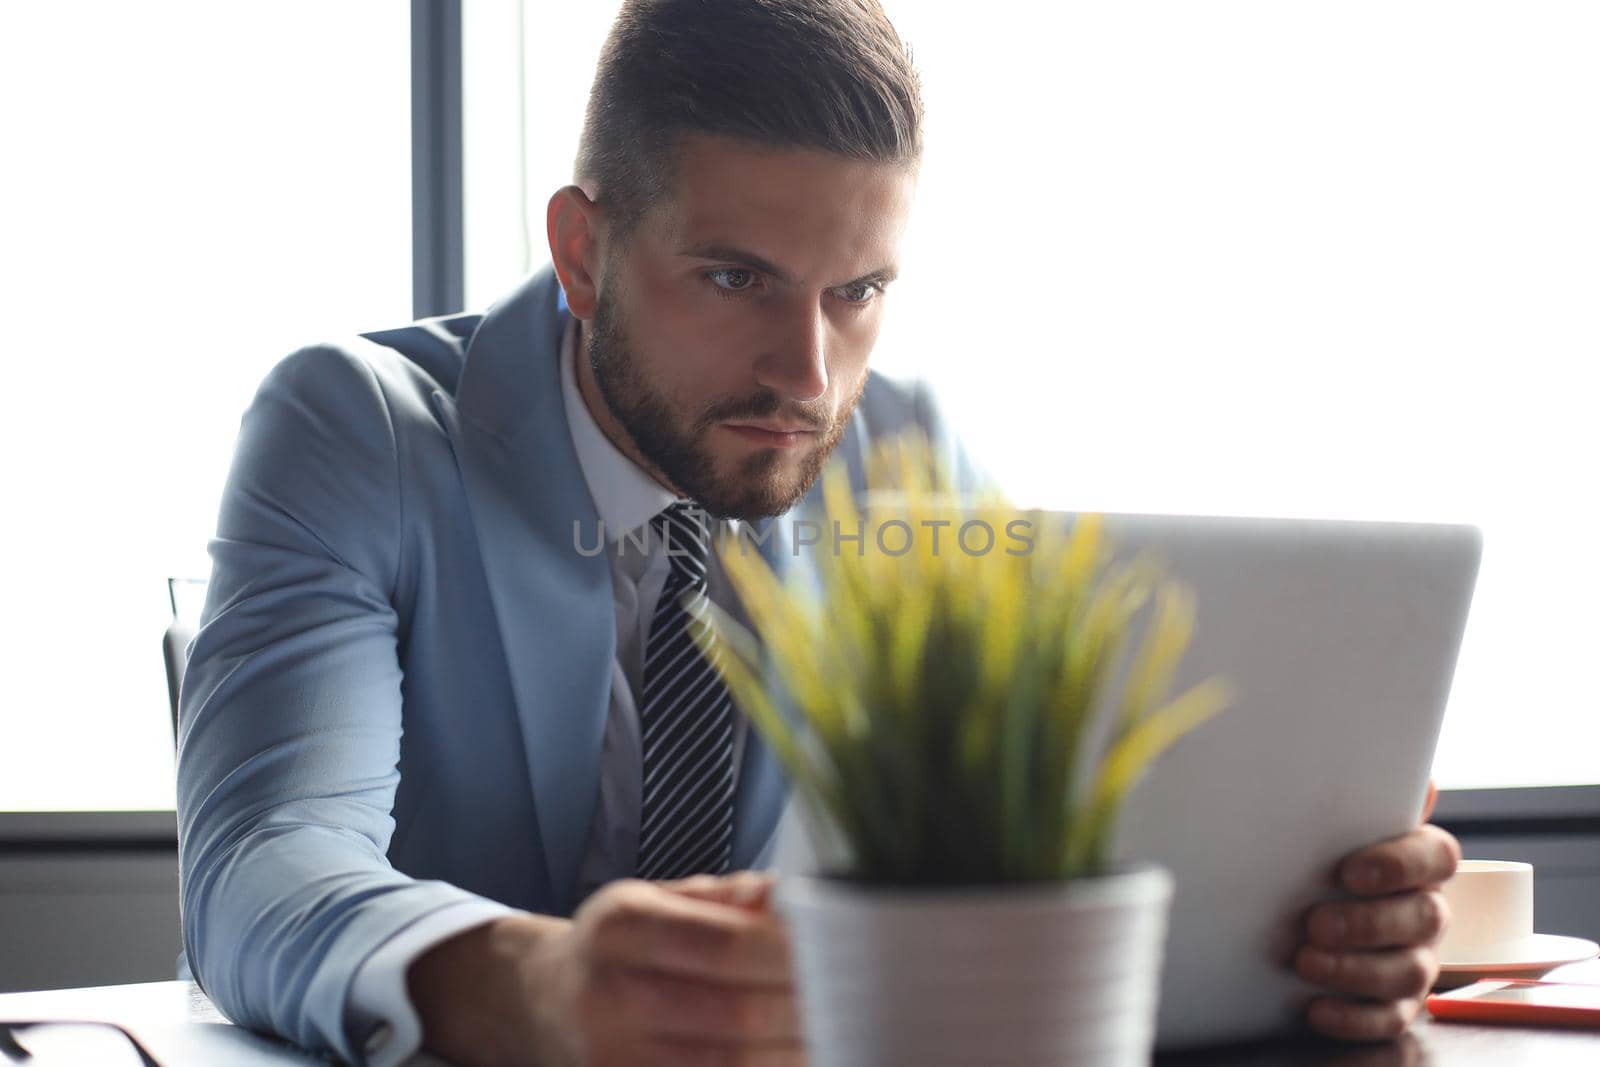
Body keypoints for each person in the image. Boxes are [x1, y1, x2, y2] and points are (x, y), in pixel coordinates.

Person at [175, 2, 1462, 1065]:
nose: (807, 374)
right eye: (736, 278)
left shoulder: (908, 458)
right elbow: (263, 859)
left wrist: (1311, 923)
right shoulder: (357, 430)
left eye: (857, 292)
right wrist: (541, 979)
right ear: (583, 249)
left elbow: (1022, 852)